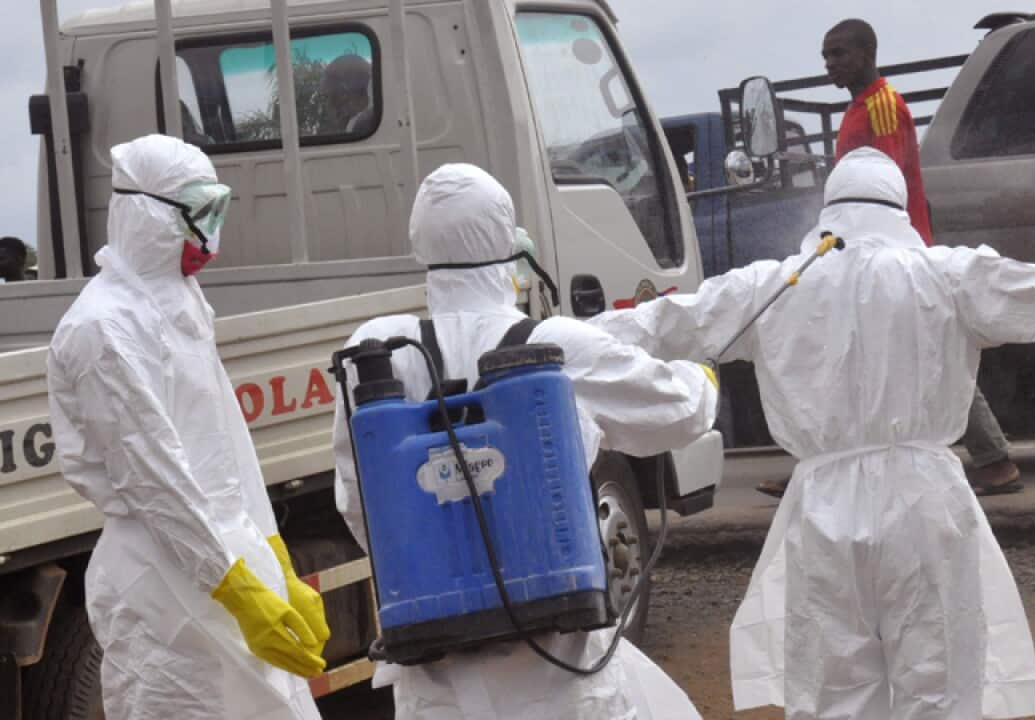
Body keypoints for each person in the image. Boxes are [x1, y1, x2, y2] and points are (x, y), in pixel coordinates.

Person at [589, 146, 1035, 719]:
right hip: (925, 498)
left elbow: (661, 324)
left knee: (837, 690)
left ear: (830, 210)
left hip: (822, 504)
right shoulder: (947, 275)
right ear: (899, 210)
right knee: (939, 684)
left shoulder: (773, 285)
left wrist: (531, 343)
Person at [331, 163, 719, 719]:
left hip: (434, 680)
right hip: (554, 668)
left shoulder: (376, 353)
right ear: (507, 244)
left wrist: (440, 574)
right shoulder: (551, 345)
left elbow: (355, 500)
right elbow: (675, 412)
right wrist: (701, 383)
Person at [47, 134, 330, 720]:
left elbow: (228, 447)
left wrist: (276, 563)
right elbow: (155, 481)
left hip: (227, 557)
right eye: (201, 215)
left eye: (218, 211)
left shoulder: (181, 304)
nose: (212, 234)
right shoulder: (102, 329)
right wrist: (239, 591)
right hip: (161, 583)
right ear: (146, 214)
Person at [760, 17, 1019, 498]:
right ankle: (816, 462)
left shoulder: (880, 106)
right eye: (825, 55)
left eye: (838, 53)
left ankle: (995, 460)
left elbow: (885, 183)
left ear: (866, 53)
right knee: (881, 349)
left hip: (892, 252)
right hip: (870, 250)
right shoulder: (862, 108)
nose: (829, 63)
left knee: (927, 352)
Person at [320, 54, 375, 135]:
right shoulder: (374, 122)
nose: (327, 104)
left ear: (342, 94)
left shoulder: (360, 127)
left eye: (326, 96)